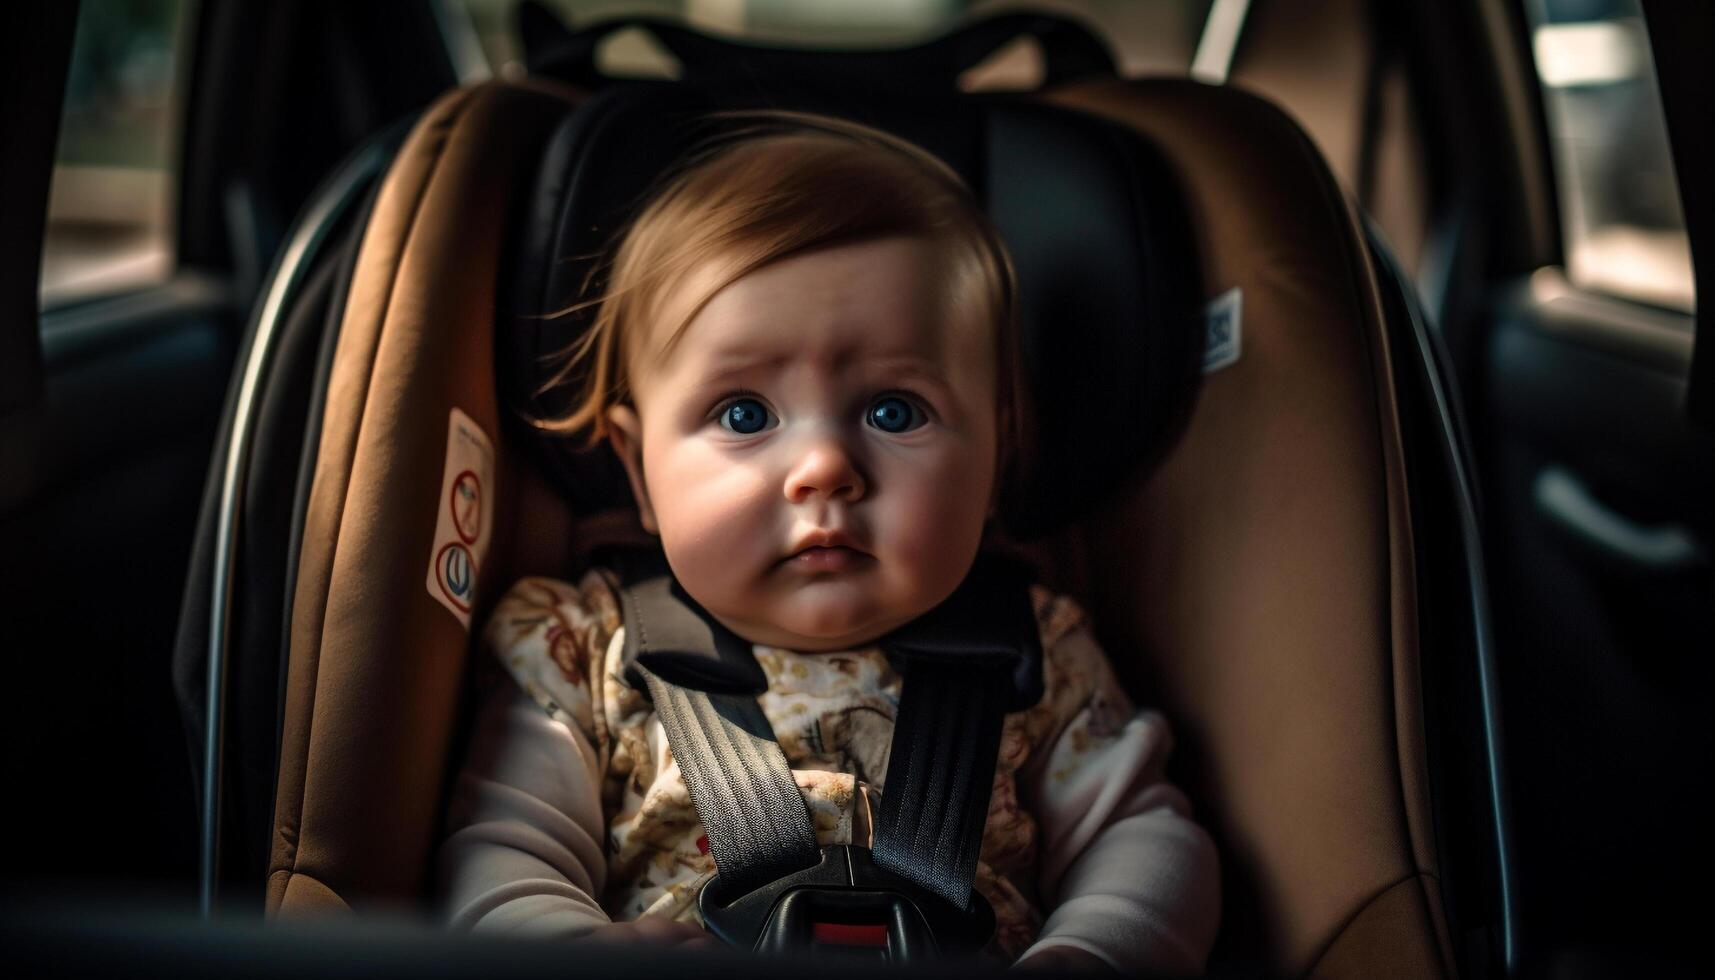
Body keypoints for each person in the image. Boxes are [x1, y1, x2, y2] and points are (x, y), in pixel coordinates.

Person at [437, 112, 1220, 974]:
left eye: (895, 411)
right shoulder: (581, 651)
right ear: (637, 470)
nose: (822, 468)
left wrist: (1091, 952)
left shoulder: (1041, 658)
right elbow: (503, 854)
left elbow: (1144, 843)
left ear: (996, 458)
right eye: (743, 415)